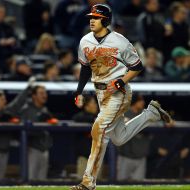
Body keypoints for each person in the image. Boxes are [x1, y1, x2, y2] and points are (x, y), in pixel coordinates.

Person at [71, 3, 172, 190]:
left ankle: (87, 182)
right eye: (91, 17)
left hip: (119, 92)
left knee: (98, 129)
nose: (92, 20)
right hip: (100, 92)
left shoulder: (120, 41)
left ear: (106, 20)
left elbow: (137, 66)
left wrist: (120, 82)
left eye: (97, 18)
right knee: (118, 137)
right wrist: (79, 91)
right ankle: (151, 114)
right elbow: (85, 68)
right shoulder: (85, 41)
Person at [117, 94, 151, 181]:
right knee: (121, 183)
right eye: (140, 100)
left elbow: (158, 121)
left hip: (140, 156)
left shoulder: (146, 114)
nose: (143, 102)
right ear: (134, 102)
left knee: (138, 184)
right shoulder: (123, 113)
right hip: (126, 156)